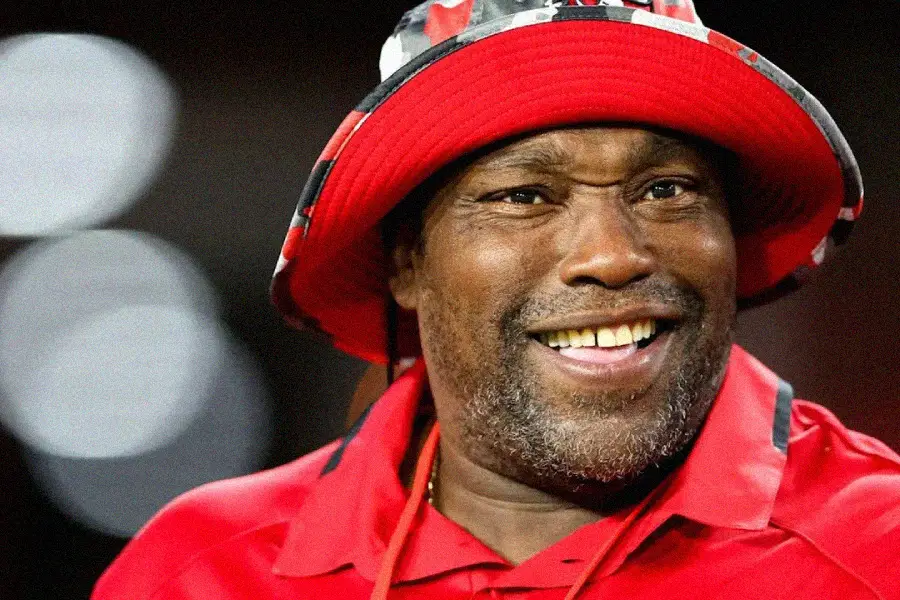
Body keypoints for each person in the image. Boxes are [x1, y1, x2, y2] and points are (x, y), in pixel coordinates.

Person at [92, 1, 899, 598]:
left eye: (665, 189)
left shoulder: (879, 553)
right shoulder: (197, 574)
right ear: (406, 262)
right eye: (523, 196)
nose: (613, 255)